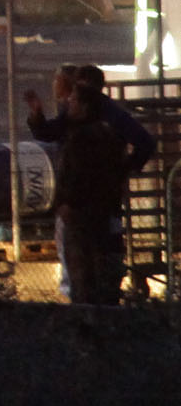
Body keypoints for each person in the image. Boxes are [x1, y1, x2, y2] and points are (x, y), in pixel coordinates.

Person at [28, 64, 158, 301]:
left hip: (93, 205)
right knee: (85, 255)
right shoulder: (77, 118)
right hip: (88, 206)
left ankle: (91, 302)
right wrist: (37, 116)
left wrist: (123, 170)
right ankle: (88, 299)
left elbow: (143, 143)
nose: (71, 99)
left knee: (95, 254)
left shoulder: (105, 123)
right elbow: (49, 133)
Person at [42, 73, 134, 305]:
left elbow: (77, 176)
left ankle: (87, 318)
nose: (68, 104)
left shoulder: (83, 138)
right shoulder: (106, 134)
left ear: (84, 106)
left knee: (82, 273)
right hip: (98, 211)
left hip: (82, 215)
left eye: (73, 101)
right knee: (99, 268)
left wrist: (67, 202)